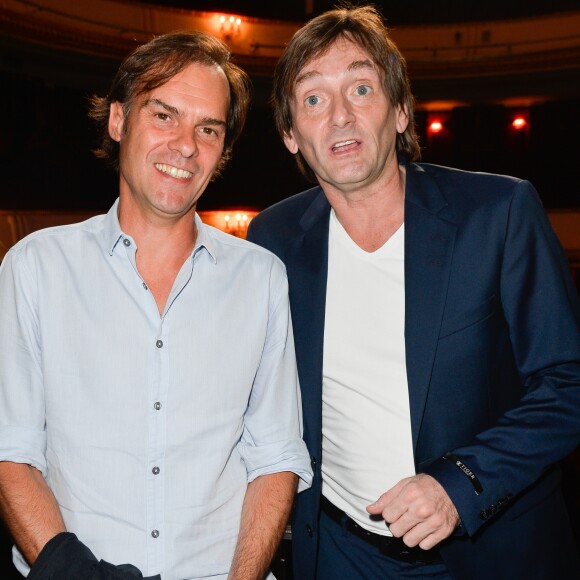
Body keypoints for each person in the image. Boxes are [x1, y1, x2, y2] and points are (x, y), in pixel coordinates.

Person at [246, 4, 580, 579]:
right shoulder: (272, 239)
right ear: (290, 135)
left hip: (485, 551)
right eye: (314, 98)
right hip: (337, 553)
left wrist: (461, 484)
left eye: (361, 88)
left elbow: (568, 383)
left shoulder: (497, 213)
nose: (340, 117)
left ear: (400, 112)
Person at [0, 31, 312, 579]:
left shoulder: (261, 278)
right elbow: (11, 451)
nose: (186, 145)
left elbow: (276, 457)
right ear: (119, 120)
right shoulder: (35, 267)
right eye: (164, 115)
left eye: (207, 128)